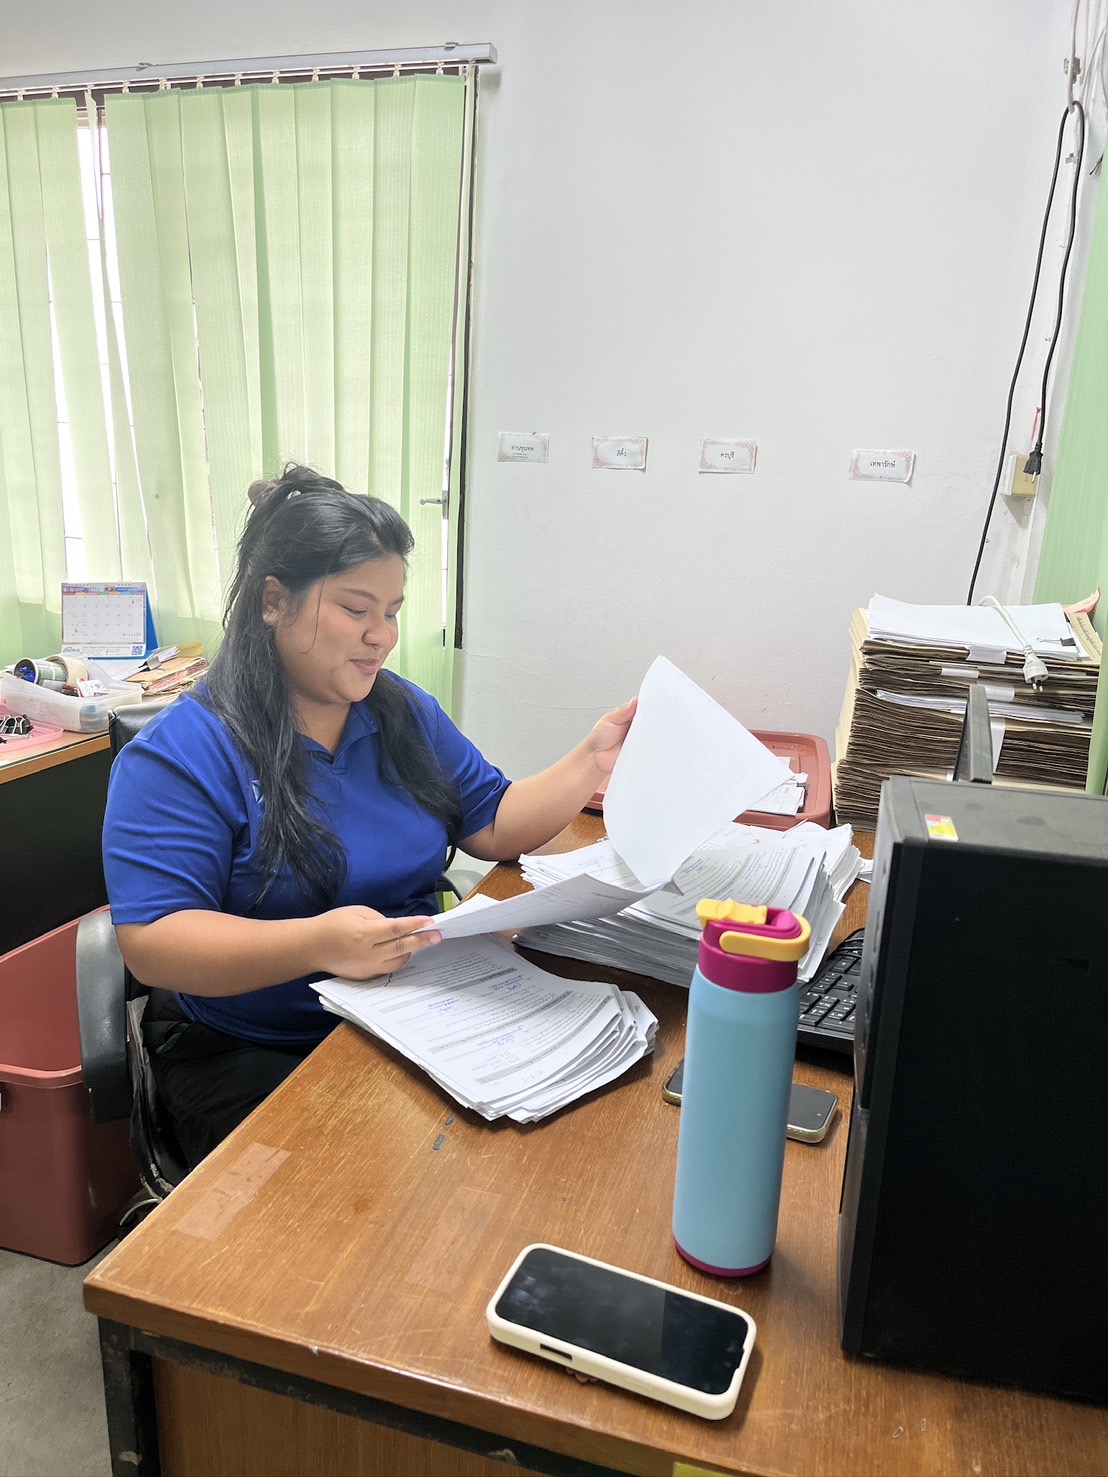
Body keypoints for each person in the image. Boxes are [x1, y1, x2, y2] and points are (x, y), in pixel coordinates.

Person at [102, 465, 635, 1171]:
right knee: (384, 1193)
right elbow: (155, 941)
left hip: (417, 1019)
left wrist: (591, 759)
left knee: (572, 1134)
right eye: (357, 609)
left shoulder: (402, 711)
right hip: (259, 1050)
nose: (381, 636)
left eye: (392, 611)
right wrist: (318, 943)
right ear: (274, 601)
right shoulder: (182, 754)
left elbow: (495, 822)